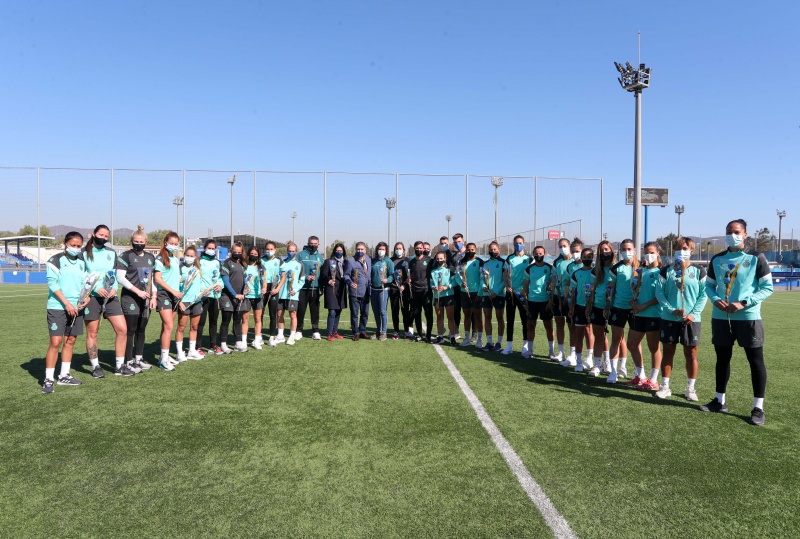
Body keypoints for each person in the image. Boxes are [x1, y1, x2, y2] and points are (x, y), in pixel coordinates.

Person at [700, 219, 773, 426]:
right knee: (722, 360)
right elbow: (709, 287)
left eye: (737, 231)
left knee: (755, 361)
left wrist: (744, 303)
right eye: (729, 231)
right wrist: (716, 301)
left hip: (748, 318)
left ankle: (758, 408)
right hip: (721, 317)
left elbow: (767, 288)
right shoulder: (717, 259)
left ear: (745, 234)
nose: (733, 234)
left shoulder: (756, 257)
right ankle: (719, 401)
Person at [655, 236, 707, 400]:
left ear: (692, 251)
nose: (681, 251)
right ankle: (665, 386)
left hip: (691, 320)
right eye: (678, 248)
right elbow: (659, 293)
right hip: (669, 318)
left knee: (691, 353)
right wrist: (671, 310)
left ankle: (690, 389)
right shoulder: (666, 270)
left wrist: (693, 314)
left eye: (685, 248)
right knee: (668, 352)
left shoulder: (699, 271)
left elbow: (704, 295)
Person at [42, 231, 89, 393]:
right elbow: (53, 284)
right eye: (73, 245)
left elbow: (85, 283)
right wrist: (67, 303)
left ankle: (64, 376)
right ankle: (48, 379)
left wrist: (86, 298)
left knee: (70, 341)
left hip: (77, 307)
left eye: (78, 246)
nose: (76, 249)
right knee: (56, 342)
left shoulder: (82, 261)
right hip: (58, 306)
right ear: (65, 243)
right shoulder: (55, 260)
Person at [83, 224, 129, 377]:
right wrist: (95, 289)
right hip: (92, 297)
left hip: (110, 297)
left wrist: (115, 287)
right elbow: (82, 275)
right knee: (93, 332)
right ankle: (96, 366)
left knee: (122, 329)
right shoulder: (83, 253)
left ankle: (119, 366)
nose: (103, 238)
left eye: (106, 236)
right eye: (101, 234)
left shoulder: (111, 252)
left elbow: (114, 273)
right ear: (94, 234)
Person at [116, 226, 157, 373]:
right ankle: (128, 361)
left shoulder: (150, 257)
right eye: (136, 241)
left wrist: (154, 296)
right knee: (130, 330)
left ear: (146, 242)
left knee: (141, 329)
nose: (138, 243)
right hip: (131, 298)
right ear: (132, 241)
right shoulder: (125, 256)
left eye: (141, 241)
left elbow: (151, 279)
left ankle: (138, 359)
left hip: (146, 299)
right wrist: (138, 292)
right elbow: (120, 277)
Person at [626, 241, 663, 390]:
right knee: (632, 344)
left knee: (653, 347)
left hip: (654, 314)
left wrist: (643, 305)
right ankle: (640, 376)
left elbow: (660, 296)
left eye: (652, 252)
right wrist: (634, 301)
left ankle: (653, 380)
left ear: (658, 254)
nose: (649, 254)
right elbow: (637, 290)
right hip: (638, 313)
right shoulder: (641, 271)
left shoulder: (661, 272)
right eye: (646, 252)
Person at [605, 239, 637, 383]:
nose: (627, 252)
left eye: (629, 249)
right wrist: (607, 306)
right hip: (619, 307)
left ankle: (636, 371)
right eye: (624, 249)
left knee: (635, 342)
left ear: (634, 250)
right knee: (616, 339)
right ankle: (613, 372)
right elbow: (610, 289)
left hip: (636, 309)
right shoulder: (616, 268)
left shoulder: (642, 266)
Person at [560, 238, 594, 367]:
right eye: (573, 251)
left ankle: (589, 358)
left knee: (588, 330)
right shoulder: (570, 266)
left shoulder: (591, 268)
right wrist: (569, 300)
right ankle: (573, 356)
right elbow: (569, 285)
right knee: (572, 329)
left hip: (589, 304)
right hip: (575, 303)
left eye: (577, 251)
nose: (575, 254)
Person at [154, 232, 184, 369]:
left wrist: (185, 281)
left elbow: (175, 278)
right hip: (164, 295)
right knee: (169, 326)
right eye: (171, 243)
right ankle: (164, 360)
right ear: (165, 242)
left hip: (174, 296)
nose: (173, 246)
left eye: (175, 244)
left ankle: (163, 357)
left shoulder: (175, 259)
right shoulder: (160, 258)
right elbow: (158, 279)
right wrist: (173, 291)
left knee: (167, 327)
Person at [521, 246, 555, 359]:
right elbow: (525, 286)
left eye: (540, 253)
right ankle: (530, 351)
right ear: (533, 254)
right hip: (532, 301)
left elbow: (553, 286)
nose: (538, 255)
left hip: (546, 301)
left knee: (549, 327)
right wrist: (526, 301)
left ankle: (551, 351)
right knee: (530, 326)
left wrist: (551, 301)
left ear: (544, 253)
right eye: (536, 253)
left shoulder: (550, 268)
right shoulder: (529, 269)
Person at [586, 240, 614, 376]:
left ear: (612, 251)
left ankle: (609, 363)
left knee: (617, 338)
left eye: (607, 249)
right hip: (598, 305)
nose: (604, 252)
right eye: (602, 250)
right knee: (599, 336)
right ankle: (597, 365)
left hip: (614, 307)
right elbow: (592, 289)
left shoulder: (616, 268)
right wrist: (589, 305)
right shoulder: (595, 270)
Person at [502, 235, 532, 355]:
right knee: (510, 319)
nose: (518, 245)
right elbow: (505, 274)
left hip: (524, 294)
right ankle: (509, 345)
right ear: (513, 245)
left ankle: (525, 345)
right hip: (511, 293)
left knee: (525, 320)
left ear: (524, 244)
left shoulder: (529, 259)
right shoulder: (509, 258)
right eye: (516, 243)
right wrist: (507, 285)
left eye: (520, 243)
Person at [175, 246, 204, 360]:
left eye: (192, 256)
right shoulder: (180, 268)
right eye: (187, 255)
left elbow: (200, 284)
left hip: (196, 301)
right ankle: (179, 352)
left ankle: (191, 351)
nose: (189, 258)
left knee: (194, 327)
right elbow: (175, 286)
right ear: (184, 255)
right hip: (184, 302)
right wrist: (179, 301)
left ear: (195, 257)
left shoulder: (198, 269)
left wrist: (203, 291)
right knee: (181, 327)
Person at [569, 247, 595, 372]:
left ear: (593, 258)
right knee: (579, 335)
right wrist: (572, 307)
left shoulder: (596, 272)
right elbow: (573, 292)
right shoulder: (576, 273)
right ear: (581, 258)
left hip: (593, 307)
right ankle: (579, 362)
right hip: (579, 307)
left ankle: (589, 359)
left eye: (589, 257)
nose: (587, 259)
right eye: (585, 257)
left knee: (590, 332)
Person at [218, 241, 248, 354]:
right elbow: (226, 281)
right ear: (231, 251)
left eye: (239, 252)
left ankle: (238, 342)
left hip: (240, 297)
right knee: (226, 321)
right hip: (228, 297)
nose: (237, 254)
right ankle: (223, 344)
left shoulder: (242, 264)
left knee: (237, 320)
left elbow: (244, 280)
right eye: (235, 252)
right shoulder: (226, 263)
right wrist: (234, 294)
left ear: (242, 252)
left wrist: (246, 288)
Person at [195, 240, 224, 354]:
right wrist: (202, 290)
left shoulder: (217, 262)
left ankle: (213, 345)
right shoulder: (200, 261)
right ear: (204, 248)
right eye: (209, 248)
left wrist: (220, 286)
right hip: (203, 296)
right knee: (201, 322)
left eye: (213, 248)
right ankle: (198, 347)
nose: (211, 250)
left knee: (213, 321)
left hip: (215, 295)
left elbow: (219, 278)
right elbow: (196, 277)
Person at [453, 242, 484, 348]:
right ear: (465, 250)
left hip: (476, 293)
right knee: (466, 315)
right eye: (468, 250)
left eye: (472, 249)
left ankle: (479, 339)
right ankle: (467, 338)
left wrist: (480, 292)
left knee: (478, 316)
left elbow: (483, 278)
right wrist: (460, 283)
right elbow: (457, 276)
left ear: (475, 250)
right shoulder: (461, 262)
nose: (470, 251)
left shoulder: (479, 262)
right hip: (464, 292)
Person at [295, 236, 324, 340]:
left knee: (315, 311)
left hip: (315, 288)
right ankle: (298, 330)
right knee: (301, 310)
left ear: (318, 244)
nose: (313, 245)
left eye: (315, 243)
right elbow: (296, 270)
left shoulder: (320, 257)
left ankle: (315, 331)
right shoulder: (301, 255)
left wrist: (321, 287)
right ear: (308, 243)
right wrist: (307, 277)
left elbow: (322, 274)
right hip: (303, 288)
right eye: (311, 243)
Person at [276, 241, 304, 345]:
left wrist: (295, 289)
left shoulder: (299, 264)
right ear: (287, 251)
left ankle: (292, 336)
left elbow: (302, 280)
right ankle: (280, 335)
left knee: (293, 314)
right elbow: (278, 277)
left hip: (293, 294)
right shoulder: (282, 263)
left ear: (296, 252)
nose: (291, 253)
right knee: (279, 314)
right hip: (281, 293)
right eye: (289, 251)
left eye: (293, 251)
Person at [480, 241, 506, 351]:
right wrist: (483, 287)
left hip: (498, 295)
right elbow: (482, 278)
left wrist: (496, 292)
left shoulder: (504, 263)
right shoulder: (485, 264)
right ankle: (489, 342)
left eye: (495, 249)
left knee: (500, 318)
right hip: (487, 295)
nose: (493, 251)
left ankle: (499, 343)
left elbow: (506, 280)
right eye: (491, 249)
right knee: (487, 317)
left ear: (499, 250)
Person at [551, 237, 573, 362]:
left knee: (571, 326)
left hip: (570, 297)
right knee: (559, 324)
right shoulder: (557, 262)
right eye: (560, 246)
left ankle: (572, 353)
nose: (562, 248)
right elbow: (553, 278)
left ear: (569, 246)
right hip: (557, 296)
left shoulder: (575, 261)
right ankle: (561, 352)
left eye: (564, 245)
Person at [344, 242, 372, 340]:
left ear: (365, 250)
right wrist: (350, 282)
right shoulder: (350, 261)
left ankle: (363, 331)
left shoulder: (369, 259)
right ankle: (356, 332)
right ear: (356, 250)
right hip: (355, 292)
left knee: (365, 313)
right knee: (355, 314)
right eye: (358, 249)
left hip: (367, 291)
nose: (360, 251)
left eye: (362, 249)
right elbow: (346, 275)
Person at [320, 243, 347, 341]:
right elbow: (323, 275)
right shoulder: (329, 262)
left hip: (341, 290)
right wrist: (328, 280)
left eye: (341, 250)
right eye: (337, 250)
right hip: (331, 289)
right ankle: (329, 333)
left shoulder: (345, 262)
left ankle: (335, 332)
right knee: (332, 311)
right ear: (334, 251)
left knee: (338, 311)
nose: (339, 252)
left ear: (343, 251)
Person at [408, 241, 433, 342]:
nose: (419, 250)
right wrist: (409, 279)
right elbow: (410, 274)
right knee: (417, 314)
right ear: (414, 249)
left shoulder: (429, 260)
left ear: (424, 249)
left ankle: (428, 335)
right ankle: (419, 334)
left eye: (420, 248)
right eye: (417, 248)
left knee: (428, 314)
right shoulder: (412, 261)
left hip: (426, 291)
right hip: (415, 291)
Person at [370, 242, 395, 341]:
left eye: (383, 249)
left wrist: (387, 280)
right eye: (379, 249)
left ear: (386, 250)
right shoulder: (373, 261)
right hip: (373, 290)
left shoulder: (388, 261)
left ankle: (384, 332)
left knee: (382, 311)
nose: (381, 251)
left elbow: (392, 275)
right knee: (376, 312)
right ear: (377, 250)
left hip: (383, 290)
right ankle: (378, 330)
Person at [260, 241, 283, 347]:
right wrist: (262, 287)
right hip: (263, 288)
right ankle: (258, 336)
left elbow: (283, 277)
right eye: (267, 249)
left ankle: (271, 337)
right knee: (260, 313)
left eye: (271, 249)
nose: (269, 251)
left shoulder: (279, 260)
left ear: (275, 249)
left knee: (273, 314)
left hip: (274, 288)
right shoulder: (261, 260)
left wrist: (277, 289)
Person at [430, 250, 456, 344]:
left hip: (449, 296)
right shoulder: (433, 271)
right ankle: (440, 336)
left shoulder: (450, 270)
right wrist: (433, 287)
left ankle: (452, 336)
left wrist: (446, 287)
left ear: (445, 259)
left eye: (441, 258)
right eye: (437, 259)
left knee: (450, 317)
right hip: (437, 296)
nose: (439, 260)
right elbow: (431, 283)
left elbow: (454, 282)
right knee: (439, 317)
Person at [242, 246, 264, 349]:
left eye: (255, 254)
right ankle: (243, 341)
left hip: (257, 296)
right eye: (252, 253)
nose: (253, 256)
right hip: (246, 296)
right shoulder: (244, 265)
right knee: (245, 319)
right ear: (248, 254)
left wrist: (264, 288)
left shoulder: (261, 267)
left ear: (258, 256)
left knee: (257, 319)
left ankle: (257, 340)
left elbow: (264, 280)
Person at [389, 242, 411, 340]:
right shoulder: (391, 260)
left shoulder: (407, 260)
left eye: (400, 248)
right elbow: (388, 274)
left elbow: (410, 276)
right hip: (394, 288)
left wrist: (405, 285)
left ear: (403, 250)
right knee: (394, 311)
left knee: (405, 311)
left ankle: (406, 331)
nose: (398, 250)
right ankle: (396, 331)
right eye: (397, 248)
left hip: (404, 290)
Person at [450, 233, 467, 338]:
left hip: (467, 286)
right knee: (456, 309)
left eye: (459, 242)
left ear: (463, 241)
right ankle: (455, 332)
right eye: (455, 242)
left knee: (469, 311)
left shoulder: (468, 253)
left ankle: (473, 333)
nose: (457, 244)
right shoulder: (453, 256)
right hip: (457, 286)